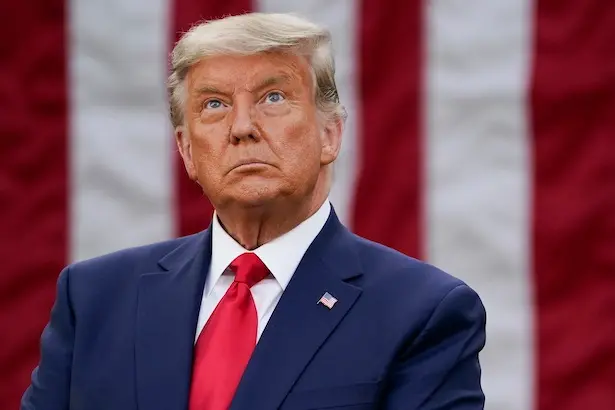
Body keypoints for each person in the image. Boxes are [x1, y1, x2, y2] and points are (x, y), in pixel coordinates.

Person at [21, 12, 486, 410]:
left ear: (330, 135)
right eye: (215, 105)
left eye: (273, 98)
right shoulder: (94, 299)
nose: (242, 128)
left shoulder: (423, 312)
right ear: (186, 151)